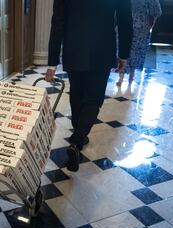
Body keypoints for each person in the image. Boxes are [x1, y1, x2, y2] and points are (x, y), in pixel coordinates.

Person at [45, 0, 133, 172]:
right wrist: (123, 54)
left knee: (77, 93)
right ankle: (77, 140)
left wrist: (52, 63)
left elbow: (58, 23)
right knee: (93, 98)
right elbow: (125, 21)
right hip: (103, 49)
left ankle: (78, 135)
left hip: (74, 48)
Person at [117, 0, 162, 86]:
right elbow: (157, 10)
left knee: (122, 48)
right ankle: (131, 75)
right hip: (141, 23)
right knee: (136, 50)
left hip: (123, 21)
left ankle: (121, 76)